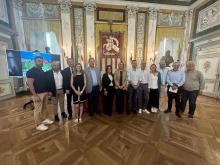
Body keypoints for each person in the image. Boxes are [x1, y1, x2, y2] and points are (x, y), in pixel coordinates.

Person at [26, 56, 53, 131]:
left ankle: (43, 119)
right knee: (37, 110)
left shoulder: (42, 70)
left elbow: (44, 82)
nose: (40, 62)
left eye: (41, 61)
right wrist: (35, 95)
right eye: (39, 61)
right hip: (38, 94)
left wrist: (48, 91)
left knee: (44, 108)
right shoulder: (31, 71)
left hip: (45, 93)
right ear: (35, 61)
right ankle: (38, 124)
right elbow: (30, 84)